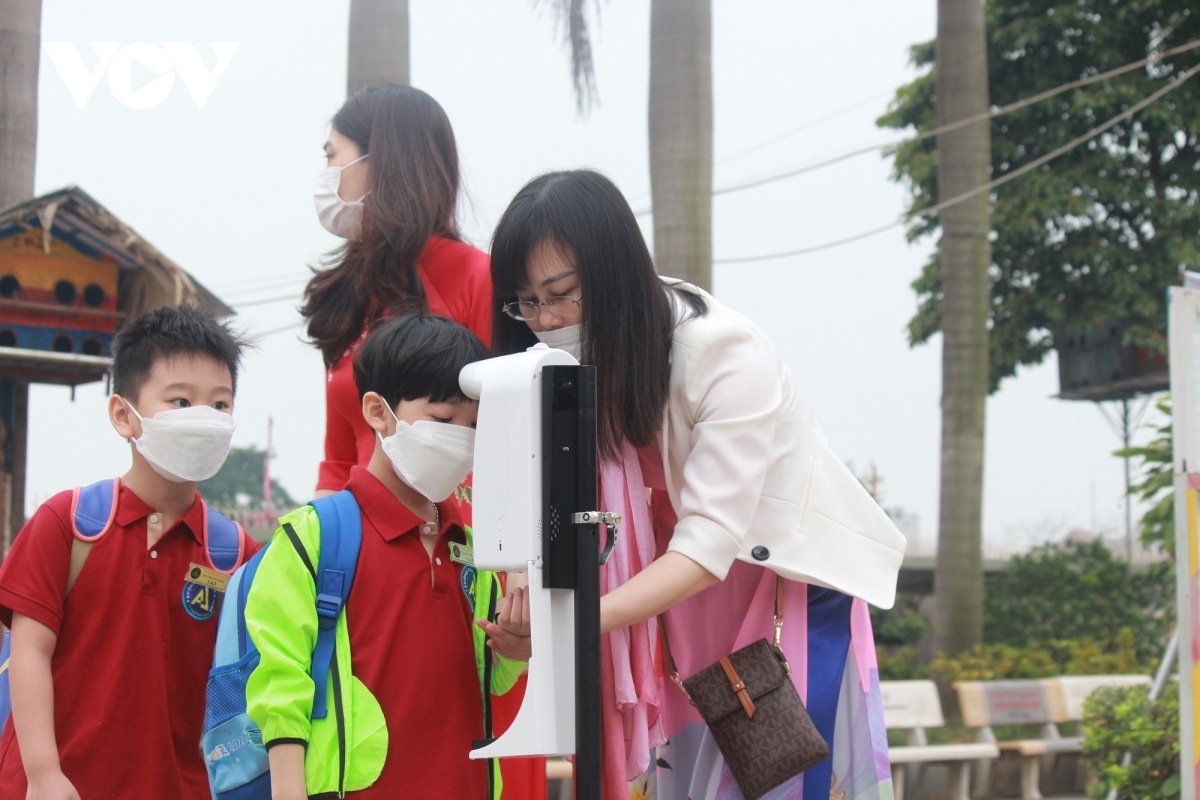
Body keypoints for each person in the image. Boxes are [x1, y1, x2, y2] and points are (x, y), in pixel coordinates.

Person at [490, 170, 905, 800]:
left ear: (616, 274)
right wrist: (525, 589)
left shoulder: (725, 353)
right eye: (526, 302)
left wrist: (570, 620)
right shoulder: (563, 372)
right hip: (667, 609)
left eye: (563, 294)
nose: (545, 319)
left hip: (773, 597)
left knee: (774, 784)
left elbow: (709, 544)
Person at [245, 314, 532, 800]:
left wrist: (518, 647)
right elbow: (280, 688)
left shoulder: (474, 546)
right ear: (378, 412)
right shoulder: (311, 537)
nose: (462, 439)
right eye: (444, 420)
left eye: (475, 425)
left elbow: (491, 678)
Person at [0, 307, 260, 800]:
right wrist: (43, 774)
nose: (202, 419)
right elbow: (29, 652)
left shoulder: (236, 553)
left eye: (219, 405)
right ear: (124, 415)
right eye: (181, 401)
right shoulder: (67, 524)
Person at [303, 84, 493, 496]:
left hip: (456, 544)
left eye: (332, 156)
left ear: (381, 159)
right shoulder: (342, 292)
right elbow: (338, 459)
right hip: (358, 538)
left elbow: (506, 437)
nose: (326, 174)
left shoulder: (478, 277)